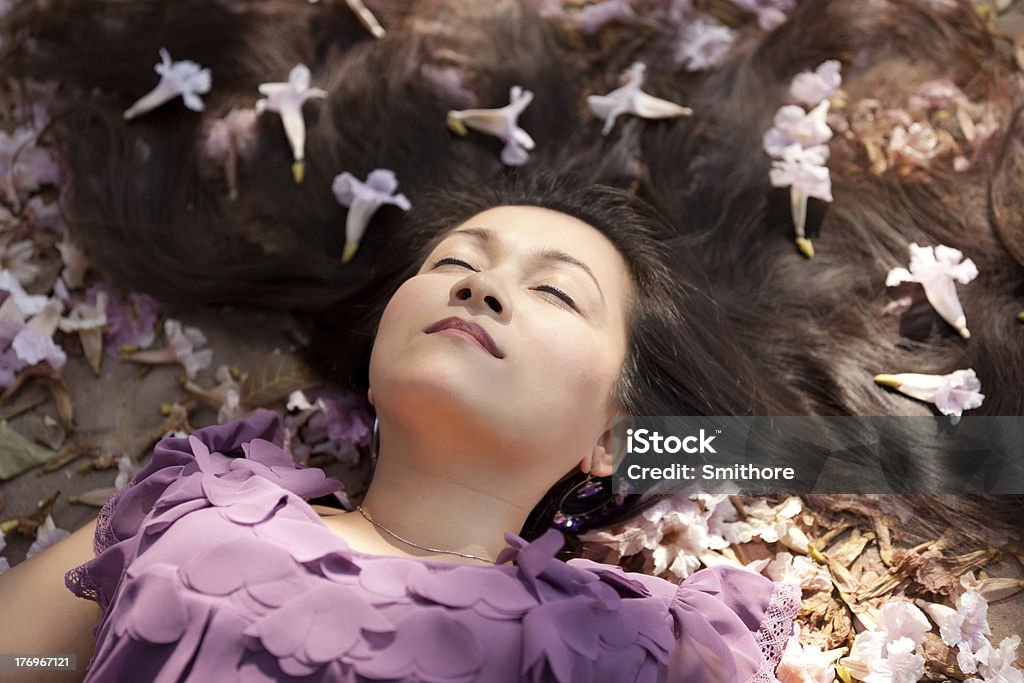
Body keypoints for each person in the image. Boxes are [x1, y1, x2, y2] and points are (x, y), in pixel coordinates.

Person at [1, 0, 1022, 680]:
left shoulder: (618, 640)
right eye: (454, 263)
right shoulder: (200, 501)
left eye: (557, 293)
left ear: (611, 429)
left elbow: (773, 445)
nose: (483, 284)